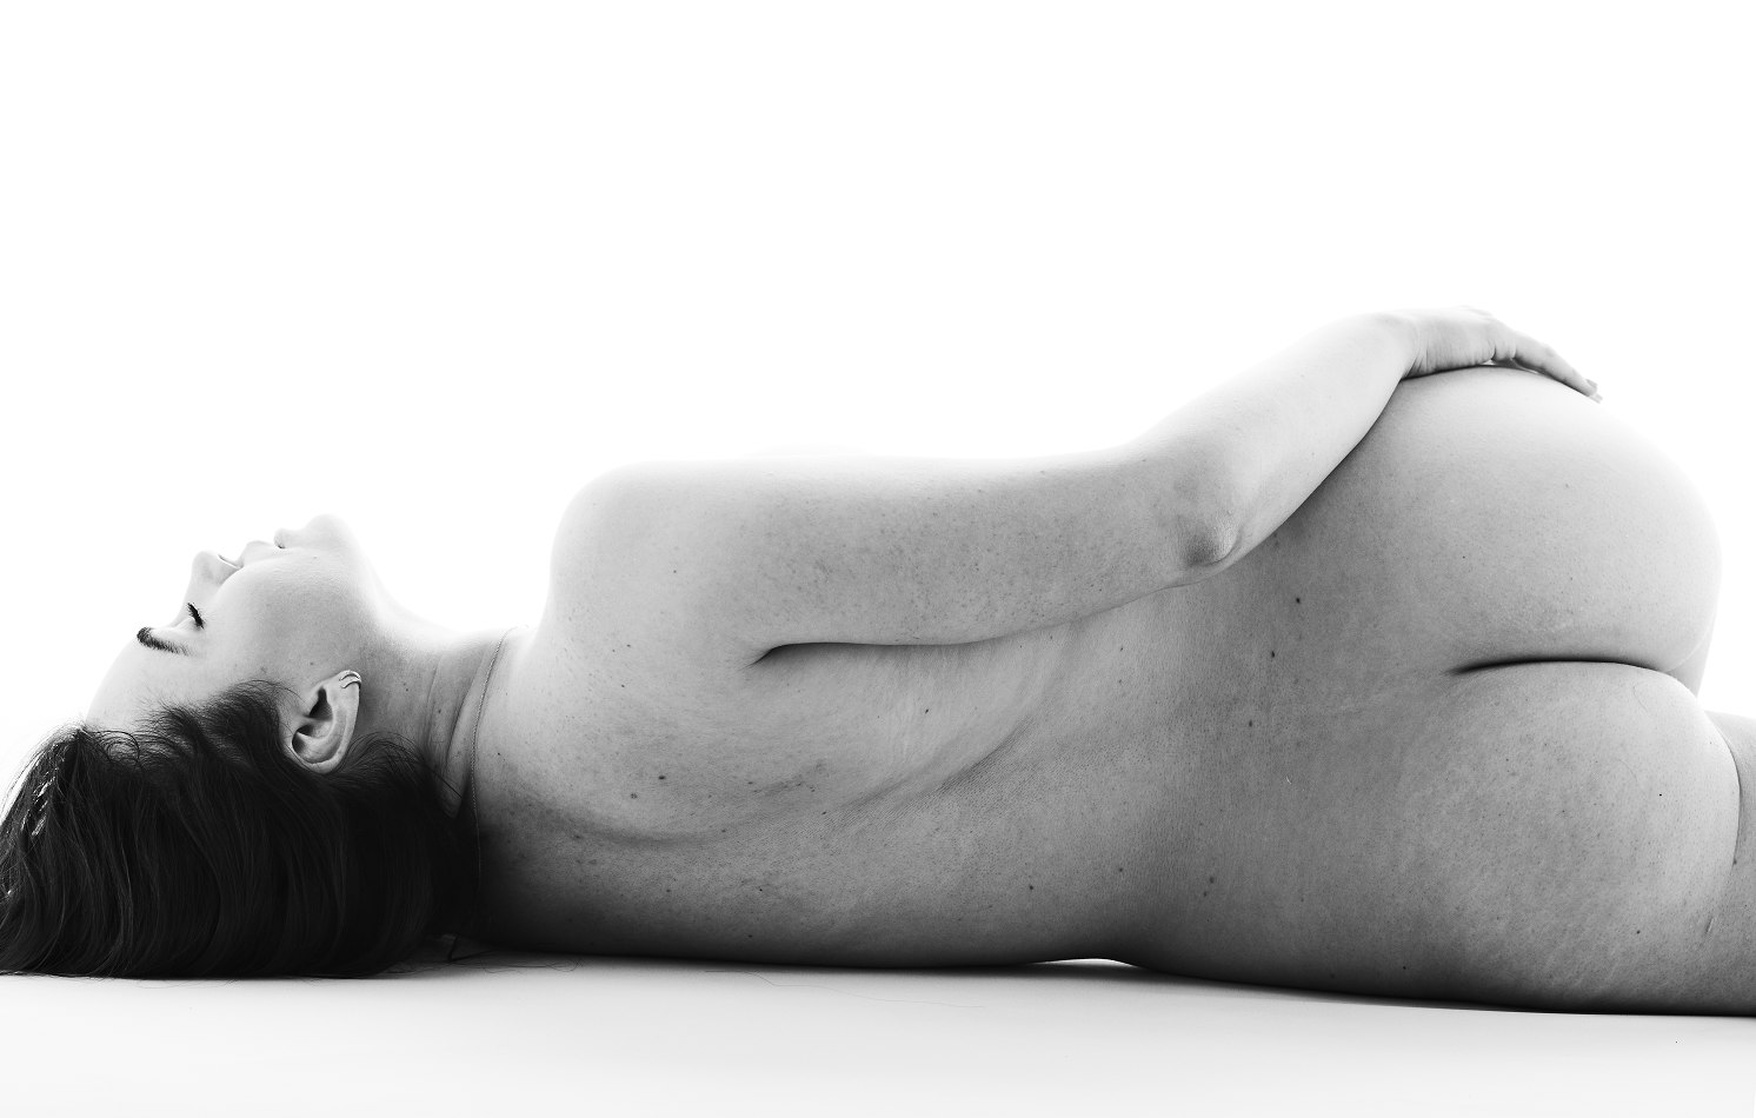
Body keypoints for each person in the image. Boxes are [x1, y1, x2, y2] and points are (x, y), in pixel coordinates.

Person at [2, 307, 1746, 1013]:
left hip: (1469, 865)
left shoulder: (568, 915)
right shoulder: (630, 576)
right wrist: (1398, 328)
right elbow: (1186, 512)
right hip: (1476, 540)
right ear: (316, 722)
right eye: (183, 625)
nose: (202, 566)